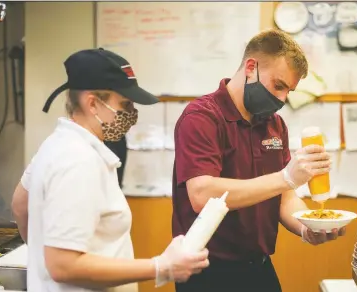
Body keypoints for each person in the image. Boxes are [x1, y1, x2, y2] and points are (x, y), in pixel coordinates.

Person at [11, 48, 209, 292]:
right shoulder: (78, 160)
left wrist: (45, 259)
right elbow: (63, 266)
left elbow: (20, 204)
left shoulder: (56, 145)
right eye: (124, 103)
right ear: (93, 103)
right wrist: (161, 266)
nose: (131, 113)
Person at [171, 29, 346, 292]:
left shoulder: (274, 125)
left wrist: (307, 228)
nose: (282, 99)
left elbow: (284, 197)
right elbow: (201, 194)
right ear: (251, 67)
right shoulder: (202, 117)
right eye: (278, 85)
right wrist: (286, 177)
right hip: (207, 271)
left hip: (259, 267)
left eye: (289, 91)